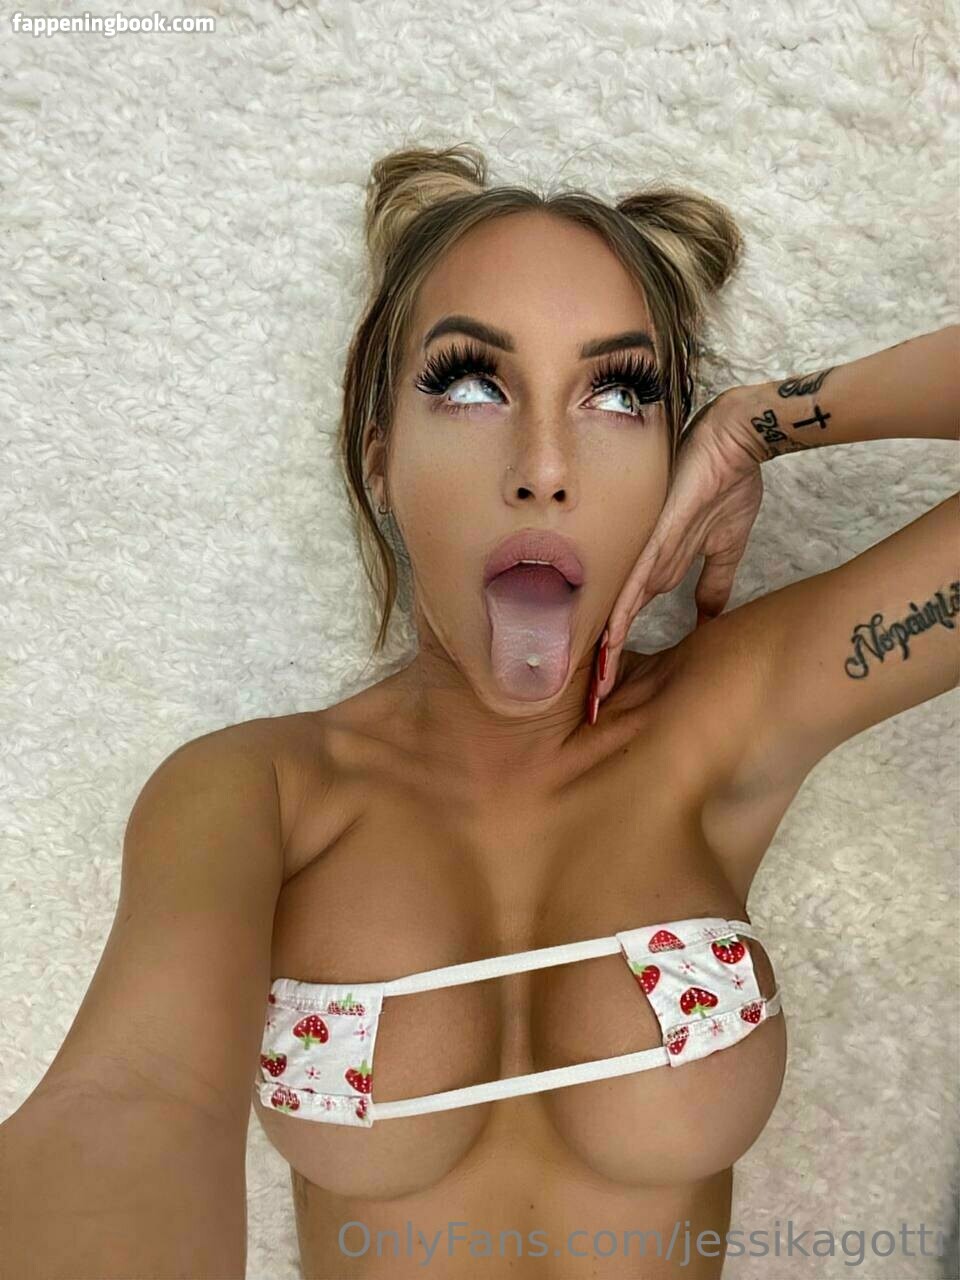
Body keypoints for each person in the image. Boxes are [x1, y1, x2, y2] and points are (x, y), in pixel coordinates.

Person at [3, 142, 955, 1280]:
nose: (544, 466)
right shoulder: (254, 793)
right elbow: (131, 1097)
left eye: (621, 393)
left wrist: (763, 421)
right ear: (379, 457)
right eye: (468, 383)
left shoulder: (727, 716)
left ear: (672, 467)